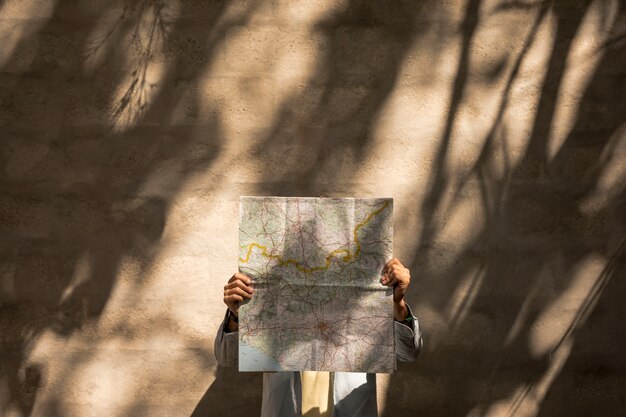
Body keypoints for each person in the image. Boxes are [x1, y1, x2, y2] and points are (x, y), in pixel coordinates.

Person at [214, 258, 423, 417]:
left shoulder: (366, 307)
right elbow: (227, 357)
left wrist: (398, 305)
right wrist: (236, 315)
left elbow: (409, 352)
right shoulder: (275, 305)